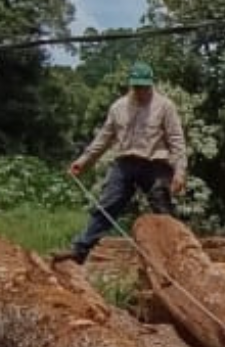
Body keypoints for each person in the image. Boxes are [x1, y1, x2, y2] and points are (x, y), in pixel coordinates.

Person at [56, 61, 187, 264]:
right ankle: (79, 251)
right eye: (137, 86)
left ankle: (180, 258)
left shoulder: (165, 106)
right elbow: (104, 138)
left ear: (151, 84)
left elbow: (177, 140)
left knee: (163, 209)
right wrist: (83, 162)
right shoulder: (118, 107)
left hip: (154, 164)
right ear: (131, 85)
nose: (141, 91)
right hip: (125, 163)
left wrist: (179, 171)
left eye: (144, 86)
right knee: (107, 205)